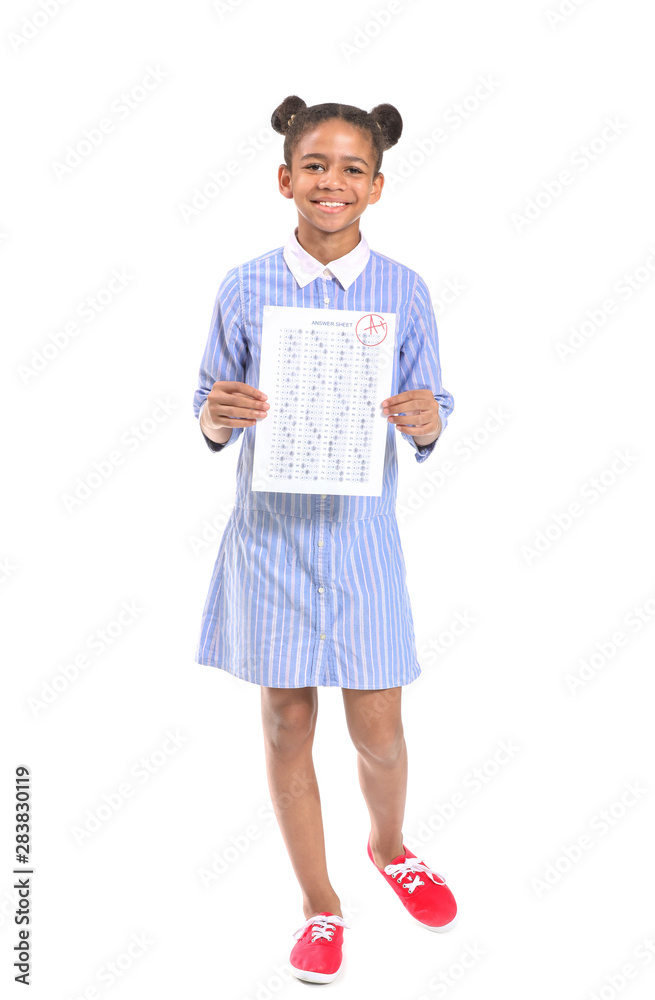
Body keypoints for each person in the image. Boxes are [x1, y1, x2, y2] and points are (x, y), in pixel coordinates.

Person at [192, 94, 458, 985]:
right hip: (270, 542)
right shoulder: (244, 285)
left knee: (378, 728)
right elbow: (209, 400)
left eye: (351, 169)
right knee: (285, 720)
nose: (331, 182)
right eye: (315, 166)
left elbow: (433, 406)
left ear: (376, 187)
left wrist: (425, 421)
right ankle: (319, 904)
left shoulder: (403, 291)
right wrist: (216, 417)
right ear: (284, 178)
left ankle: (390, 846)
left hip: (360, 540)